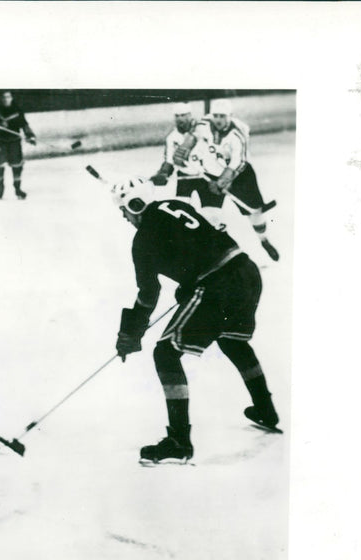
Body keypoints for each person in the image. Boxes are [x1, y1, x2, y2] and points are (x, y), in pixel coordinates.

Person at [111, 176, 280, 464]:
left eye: (124, 210)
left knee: (165, 353)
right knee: (233, 342)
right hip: (246, 272)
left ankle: (178, 442)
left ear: (134, 205)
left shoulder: (142, 240)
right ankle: (265, 409)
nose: (124, 217)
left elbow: (148, 295)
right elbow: (206, 239)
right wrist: (189, 282)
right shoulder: (175, 204)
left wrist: (130, 334)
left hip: (218, 286)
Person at [171, 99, 280, 261]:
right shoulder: (205, 123)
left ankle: (263, 240)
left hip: (241, 176)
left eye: (222, 116)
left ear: (230, 116)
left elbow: (239, 162)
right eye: (216, 116)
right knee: (211, 215)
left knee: (255, 213)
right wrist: (184, 148)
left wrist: (224, 180)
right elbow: (194, 136)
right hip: (212, 174)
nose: (219, 120)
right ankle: (215, 252)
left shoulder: (238, 134)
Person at [150, 102, 227, 230]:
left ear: (190, 115)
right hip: (185, 178)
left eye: (183, 115)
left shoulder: (203, 130)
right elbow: (169, 162)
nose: (180, 119)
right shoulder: (172, 138)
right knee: (182, 215)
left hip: (207, 177)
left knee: (212, 217)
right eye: (177, 116)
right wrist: (163, 173)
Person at [0, 91, 36, 199]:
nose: (6, 99)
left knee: (17, 166)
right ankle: (1, 186)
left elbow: (24, 125)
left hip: (14, 142)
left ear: (11, 98)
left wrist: (30, 135)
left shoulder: (17, 111)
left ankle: (17, 189)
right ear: (1, 99)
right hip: (1, 142)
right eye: (4, 97)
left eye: (8, 97)